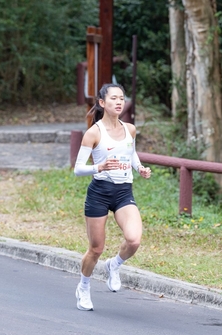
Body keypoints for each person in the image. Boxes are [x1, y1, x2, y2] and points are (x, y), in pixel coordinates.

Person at [73, 83, 151, 311]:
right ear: (102, 103)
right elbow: (77, 169)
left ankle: (114, 265)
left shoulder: (130, 129)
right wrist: (99, 167)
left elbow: (131, 153)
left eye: (121, 98)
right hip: (99, 193)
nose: (119, 102)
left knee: (134, 240)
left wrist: (140, 168)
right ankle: (83, 287)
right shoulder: (94, 133)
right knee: (96, 249)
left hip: (123, 192)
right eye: (114, 98)